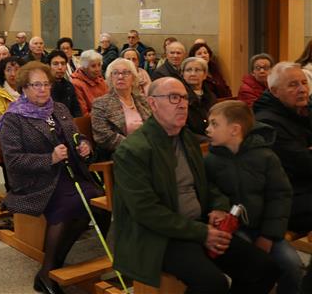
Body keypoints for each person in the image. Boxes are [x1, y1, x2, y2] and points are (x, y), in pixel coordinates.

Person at [112, 77, 280, 293]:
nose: (182, 103)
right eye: (173, 97)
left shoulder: (187, 139)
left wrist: (219, 207)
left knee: (264, 268)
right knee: (212, 283)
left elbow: (206, 182)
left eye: (184, 97)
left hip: (197, 226)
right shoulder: (133, 151)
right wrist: (202, 233)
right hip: (158, 237)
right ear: (153, 103)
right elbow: (145, 211)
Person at [0, 61, 108, 294]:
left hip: (71, 174)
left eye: (46, 84)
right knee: (72, 205)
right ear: (24, 88)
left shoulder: (59, 109)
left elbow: (76, 137)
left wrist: (84, 146)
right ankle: (48, 272)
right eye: (36, 85)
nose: (42, 90)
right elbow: (14, 162)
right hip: (38, 181)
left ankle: (55, 267)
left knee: (100, 203)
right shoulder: (13, 118)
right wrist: (50, 158)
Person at [205, 100, 303, 294]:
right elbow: (208, 190)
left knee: (292, 265)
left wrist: (268, 235)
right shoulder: (210, 161)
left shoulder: (265, 157)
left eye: (214, 124)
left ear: (234, 129)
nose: (208, 129)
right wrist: (220, 208)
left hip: (266, 228)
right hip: (234, 230)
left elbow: (280, 196)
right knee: (253, 264)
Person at [253, 62, 312, 233]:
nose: (302, 89)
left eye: (304, 82)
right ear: (274, 91)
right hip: (287, 199)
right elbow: (305, 164)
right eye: (293, 85)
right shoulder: (268, 122)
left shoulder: (300, 109)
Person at [91, 58, 151, 157]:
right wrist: (136, 146)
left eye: (126, 73)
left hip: (147, 150)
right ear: (110, 79)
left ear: (134, 78)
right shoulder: (100, 103)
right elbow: (103, 137)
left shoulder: (142, 100)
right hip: (121, 154)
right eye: (115, 73)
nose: (120, 76)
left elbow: (153, 127)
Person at [181, 56, 217, 141]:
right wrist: (206, 140)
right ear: (183, 74)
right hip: (191, 142)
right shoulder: (179, 96)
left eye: (197, 70)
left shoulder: (211, 96)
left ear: (205, 75)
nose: (193, 74)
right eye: (188, 70)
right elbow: (182, 130)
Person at [70, 50, 108, 115]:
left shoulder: (100, 80)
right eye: (93, 66)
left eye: (99, 65)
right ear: (84, 67)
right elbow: (84, 113)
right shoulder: (76, 84)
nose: (97, 69)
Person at [47, 50, 82, 118]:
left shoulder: (69, 86)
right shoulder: (43, 87)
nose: (60, 67)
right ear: (49, 66)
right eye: (55, 64)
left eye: (63, 63)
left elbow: (77, 111)